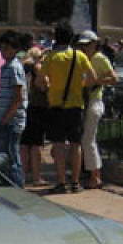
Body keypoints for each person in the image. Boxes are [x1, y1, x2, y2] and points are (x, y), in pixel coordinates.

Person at [42, 22, 96, 194]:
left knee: (58, 145)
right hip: (75, 104)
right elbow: (92, 78)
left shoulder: (51, 57)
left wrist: (49, 86)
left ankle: (61, 182)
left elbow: (40, 81)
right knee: (75, 144)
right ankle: (75, 181)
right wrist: (80, 85)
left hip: (56, 104)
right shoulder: (79, 55)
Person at [78, 30, 115, 189]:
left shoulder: (100, 58)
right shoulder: (82, 58)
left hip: (94, 100)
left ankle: (95, 176)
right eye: (83, 44)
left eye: (87, 44)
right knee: (84, 139)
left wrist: (95, 82)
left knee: (88, 139)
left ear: (95, 44)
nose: (85, 47)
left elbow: (113, 78)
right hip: (83, 101)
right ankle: (89, 173)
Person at [0, 30, 28, 186]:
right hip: (4, 118)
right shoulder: (6, 67)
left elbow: (18, 96)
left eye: (7, 48)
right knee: (4, 155)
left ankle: (17, 184)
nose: (3, 51)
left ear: (15, 49)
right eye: (2, 48)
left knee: (12, 155)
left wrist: (7, 118)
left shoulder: (14, 67)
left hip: (11, 120)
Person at [20, 41, 48, 185]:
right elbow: (45, 86)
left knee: (24, 144)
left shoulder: (22, 67)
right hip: (37, 108)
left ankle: (22, 175)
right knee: (36, 143)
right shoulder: (37, 68)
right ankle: (37, 177)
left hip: (24, 107)